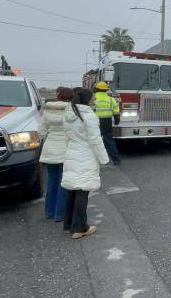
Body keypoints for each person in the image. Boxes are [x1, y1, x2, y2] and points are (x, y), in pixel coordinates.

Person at [62, 88, 110, 239]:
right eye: (92, 98)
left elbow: (67, 135)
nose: (94, 100)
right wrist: (104, 159)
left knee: (72, 190)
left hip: (72, 152)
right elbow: (95, 140)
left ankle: (68, 224)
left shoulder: (69, 114)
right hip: (86, 154)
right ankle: (79, 227)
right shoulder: (89, 116)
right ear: (87, 100)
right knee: (83, 190)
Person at [38, 87, 73, 222]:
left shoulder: (47, 112)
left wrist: (49, 138)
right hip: (65, 149)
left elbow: (41, 132)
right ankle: (60, 214)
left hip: (50, 149)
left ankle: (49, 212)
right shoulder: (71, 112)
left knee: (51, 181)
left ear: (58, 96)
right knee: (63, 183)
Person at [93, 81, 121, 165]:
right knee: (108, 140)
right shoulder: (111, 99)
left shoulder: (92, 98)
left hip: (94, 121)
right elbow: (116, 111)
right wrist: (117, 121)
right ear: (106, 90)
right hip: (106, 121)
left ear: (96, 89)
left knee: (93, 139)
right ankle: (116, 159)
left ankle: (94, 160)